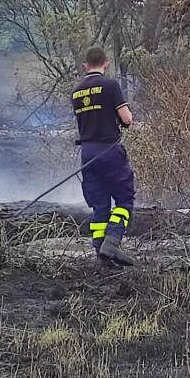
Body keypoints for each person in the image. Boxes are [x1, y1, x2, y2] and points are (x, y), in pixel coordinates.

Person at [71, 46, 135, 267]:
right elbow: (126, 120)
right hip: (109, 150)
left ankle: (102, 257)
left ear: (85, 66)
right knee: (125, 199)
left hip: (87, 154)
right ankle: (112, 241)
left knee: (99, 205)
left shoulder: (76, 91)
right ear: (106, 64)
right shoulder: (110, 85)